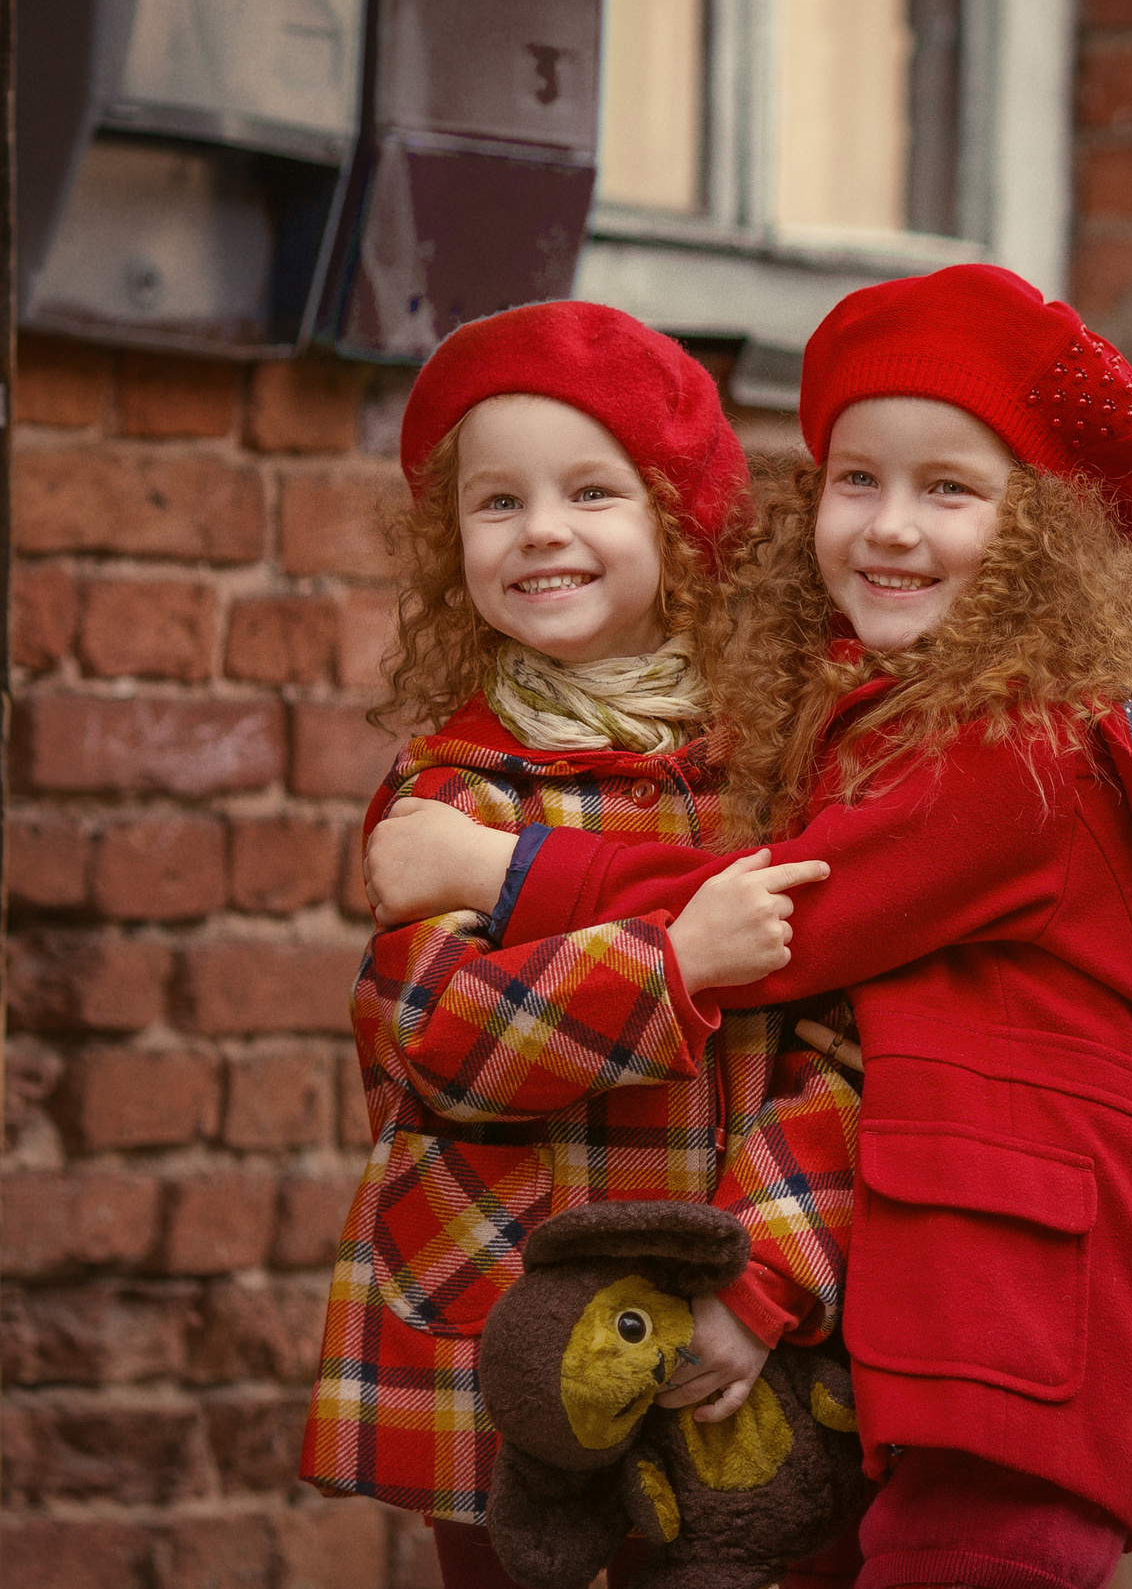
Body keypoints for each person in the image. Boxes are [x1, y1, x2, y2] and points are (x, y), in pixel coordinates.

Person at [367, 265, 1132, 1589]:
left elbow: (790, 908)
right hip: (902, 1325)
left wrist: (504, 867)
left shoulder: (1021, 759)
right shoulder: (890, 725)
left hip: (1004, 1328)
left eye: (949, 490)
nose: (889, 527)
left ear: (1038, 533)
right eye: (855, 480)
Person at [296, 300, 860, 1589]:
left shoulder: (776, 779)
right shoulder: (453, 791)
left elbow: (847, 1057)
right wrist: (671, 968)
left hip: (730, 1310)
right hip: (502, 1305)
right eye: (497, 503)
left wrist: (763, 1272)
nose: (542, 528)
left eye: (594, 490)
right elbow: (431, 1041)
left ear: (679, 520)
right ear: (454, 546)